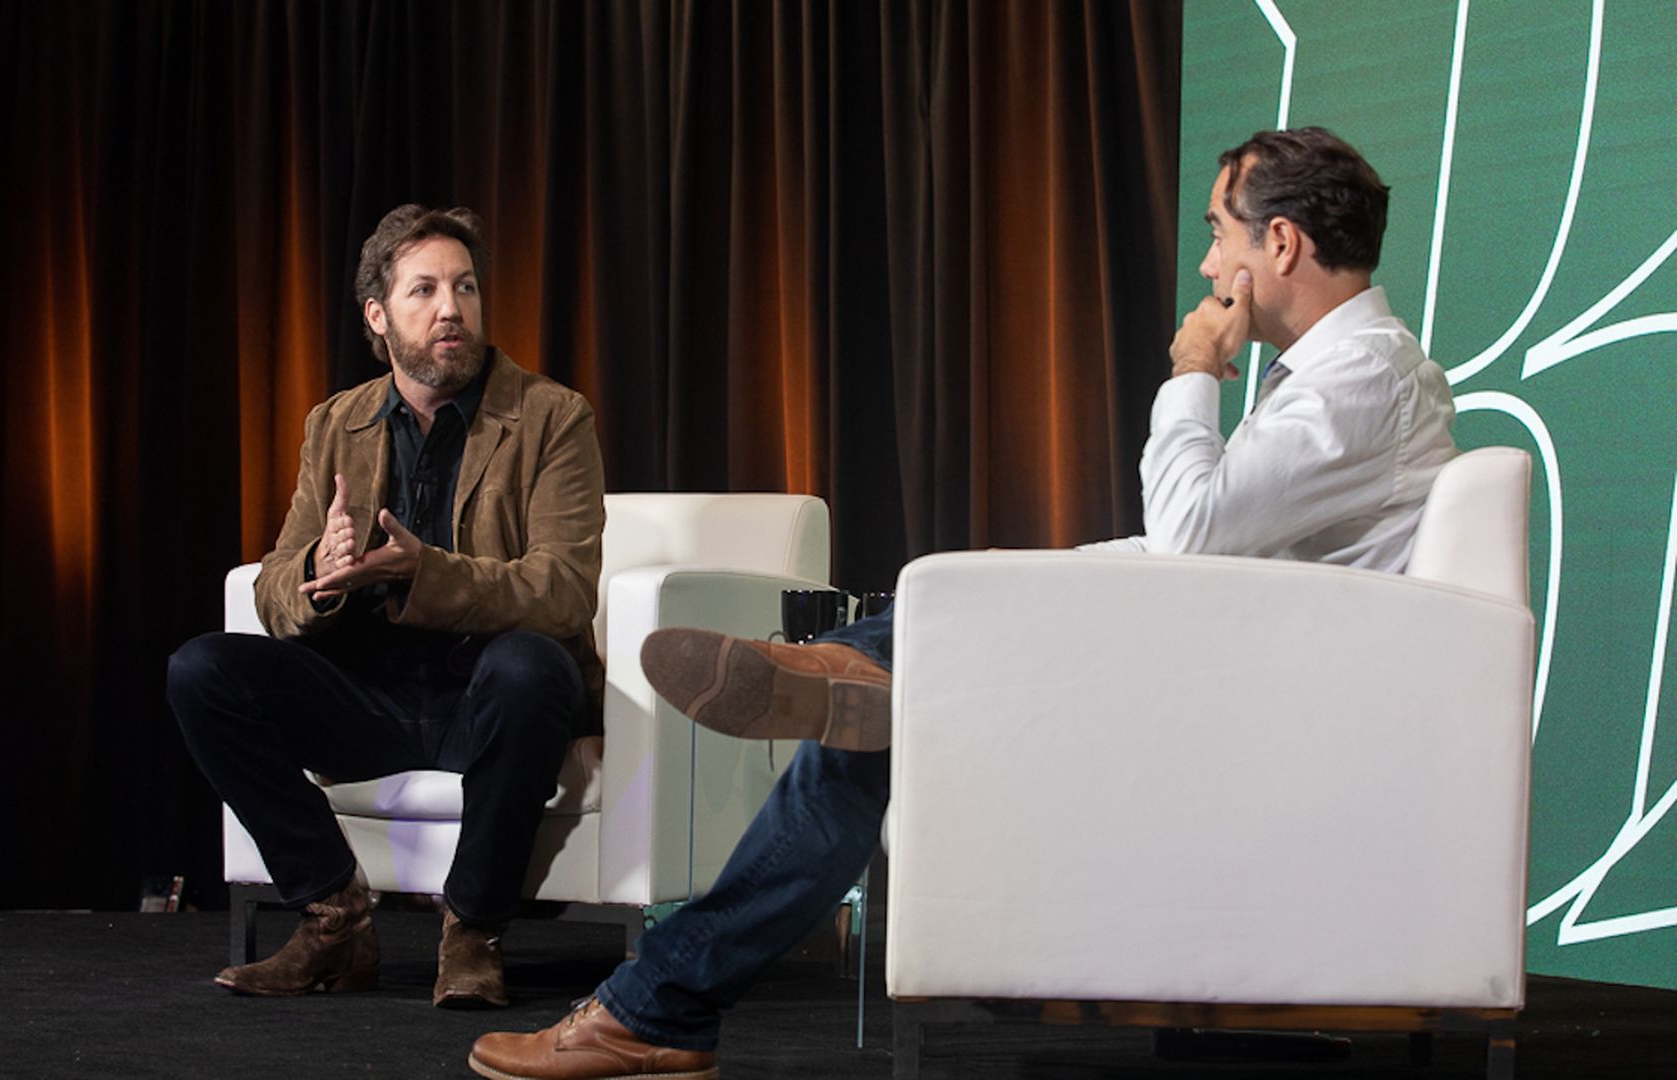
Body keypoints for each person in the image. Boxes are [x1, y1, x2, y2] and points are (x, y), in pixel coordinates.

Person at [466, 127, 1457, 1078]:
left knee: (890, 690)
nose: (1208, 268)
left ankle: (665, 993)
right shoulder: (1350, 377)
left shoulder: (1359, 378)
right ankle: (675, 978)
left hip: (1232, 698)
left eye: (1216, 232)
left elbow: (1191, 535)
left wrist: (1192, 372)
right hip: (1221, 670)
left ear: (1278, 243)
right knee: (877, 713)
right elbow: (1199, 545)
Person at [168, 205, 607, 1008]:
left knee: (529, 664)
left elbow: (564, 587)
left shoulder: (552, 418)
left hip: (491, 700)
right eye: (426, 289)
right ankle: (335, 915)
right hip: (369, 700)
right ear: (379, 315)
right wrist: (318, 569)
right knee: (201, 669)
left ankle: (472, 929)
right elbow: (273, 588)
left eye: (465, 287)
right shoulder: (337, 422)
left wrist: (422, 573)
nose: (452, 308)